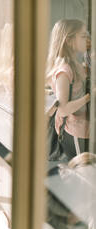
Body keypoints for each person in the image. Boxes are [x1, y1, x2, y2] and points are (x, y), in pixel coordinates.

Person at [46, 19, 90, 160]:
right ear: (69, 40)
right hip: (76, 132)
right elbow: (63, 109)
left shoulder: (75, 65)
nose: (87, 40)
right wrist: (89, 97)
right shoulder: (64, 70)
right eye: (83, 36)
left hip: (84, 130)